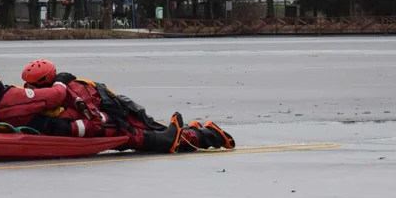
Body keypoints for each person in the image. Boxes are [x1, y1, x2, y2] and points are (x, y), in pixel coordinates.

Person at [20, 59, 235, 151]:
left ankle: (210, 135)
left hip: (124, 116)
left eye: (32, 85)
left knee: (165, 140)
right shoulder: (54, 95)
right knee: (158, 135)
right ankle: (198, 129)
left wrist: (63, 127)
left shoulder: (75, 92)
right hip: (116, 116)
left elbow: (95, 122)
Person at [0, 67, 105, 138]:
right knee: (63, 119)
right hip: (50, 125)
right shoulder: (13, 97)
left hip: (20, 123)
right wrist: (60, 80)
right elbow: (56, 96)